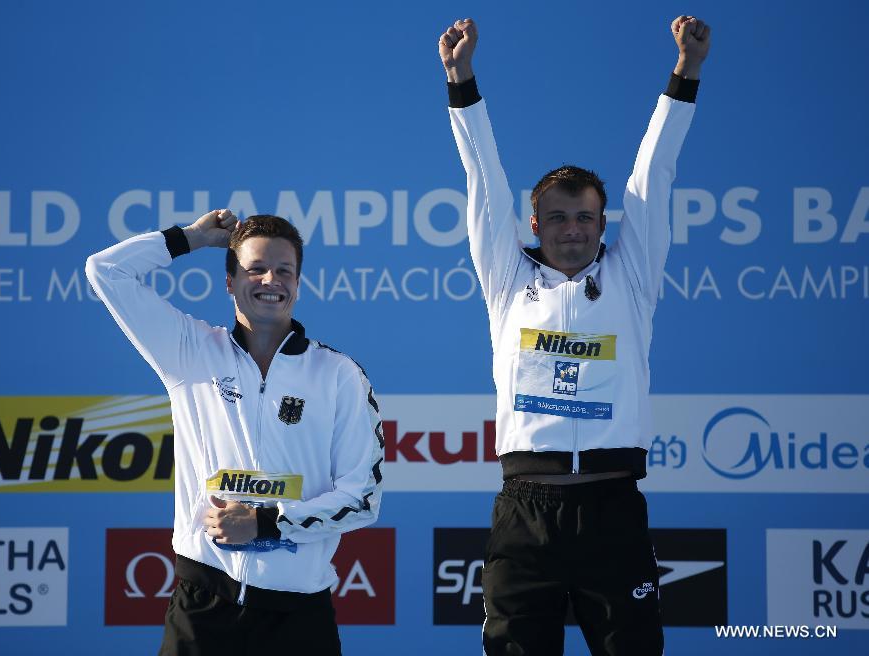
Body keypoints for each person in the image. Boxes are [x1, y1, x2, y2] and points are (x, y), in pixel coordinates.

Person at [439, 15, 710, 656]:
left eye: (585, 217)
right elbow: (483, 176)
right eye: (557, 217)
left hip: (613, 510)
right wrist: (460, 81)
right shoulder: (507, 279)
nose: (571, 230)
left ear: (602, 222)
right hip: (524, 512)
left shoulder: (631, 276)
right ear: (533, 222)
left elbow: (655, 173)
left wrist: (686, 73)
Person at [86, 211, 383, 655]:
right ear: (230, 281)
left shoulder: (339, 375)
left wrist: (268, 523)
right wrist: (191, 238)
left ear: (298, 283)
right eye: (255, 268)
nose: (271, 280)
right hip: (204, 611)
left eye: (284, 271)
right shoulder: (188, 351)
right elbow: (105, 271)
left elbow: (362, 499)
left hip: (298, 618)